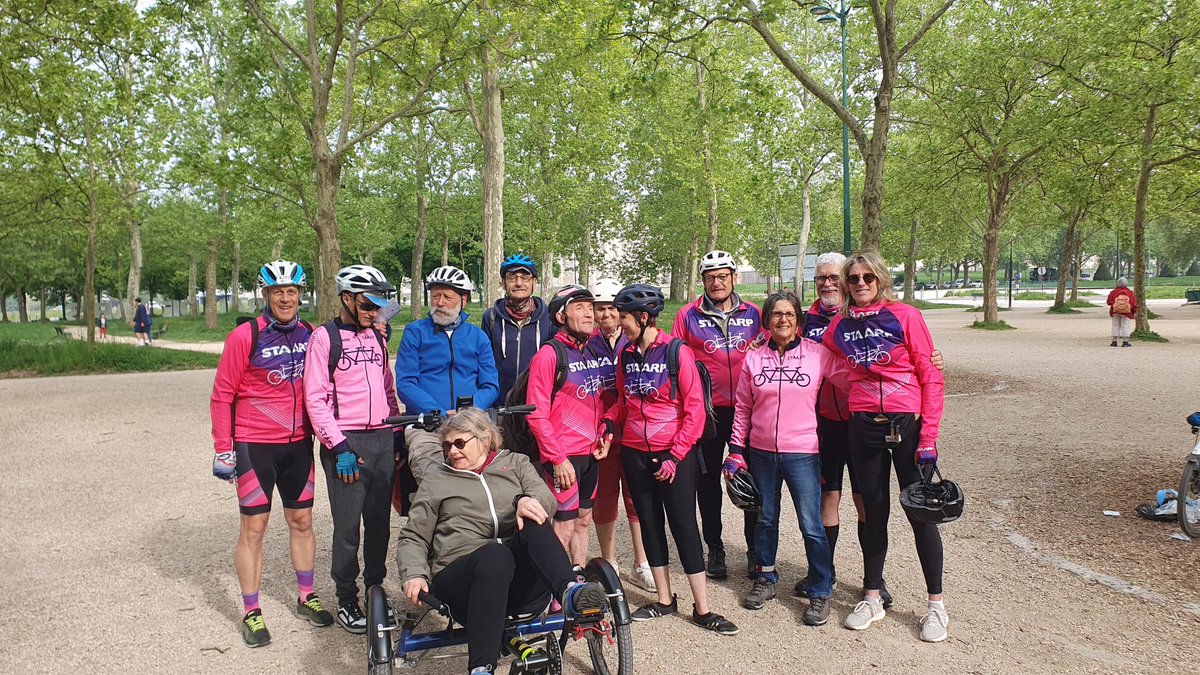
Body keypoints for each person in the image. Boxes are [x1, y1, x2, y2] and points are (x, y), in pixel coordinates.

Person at [397, 408, 609, 675]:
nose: (452, 451)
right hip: (463, 580)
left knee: (533, 517)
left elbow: (546, 499)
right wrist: (414, 573)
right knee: (494, 555)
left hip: (518, 583)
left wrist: (524, 501)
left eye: (460, 443)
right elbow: (414, 535)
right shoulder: (436, 481)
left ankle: (569, 591)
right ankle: (481, 669)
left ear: (485, 439)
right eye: (447, 445)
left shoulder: (516, 463)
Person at [796, 253, 945, 604]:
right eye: (854, 278)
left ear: (880, 279)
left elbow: (931, 377)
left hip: (904, 423)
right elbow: (819, 354)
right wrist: (857, 381)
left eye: (867, 277)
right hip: (853, 423)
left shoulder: (905, 315)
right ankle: (865, 592)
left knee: (920, 512)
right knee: (870, 509)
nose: (860, 283)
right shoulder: (832, 322)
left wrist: (928, 436)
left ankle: (934, 602)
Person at [600, 283, 738, 635]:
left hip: (674, 453)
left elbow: (695, 412)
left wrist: (675, 457)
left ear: (644, 317)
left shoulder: (677, 352)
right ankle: (664, 600)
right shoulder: (626, 354)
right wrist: (608, 420)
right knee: (649, 523)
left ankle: (703, 609)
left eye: (625, 316)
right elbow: (624, 400)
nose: (619, 322)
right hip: (635, 451)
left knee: (683, 526)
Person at [210, 260, 333, 647]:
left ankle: (306, 597)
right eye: (277, 291)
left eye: (292, 291)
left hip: (298, 444)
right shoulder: (245, 335)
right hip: (253, 445)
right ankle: (251, 612)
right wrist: (223, 448)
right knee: (255, 528)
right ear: (265, 294)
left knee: (302, 521)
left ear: (301, 295)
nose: (285, 298)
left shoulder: (312, 333)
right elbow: (222, 394)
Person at [726, 289, 847, 625]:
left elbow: (853, 379)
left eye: (789, 314)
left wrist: (906, 370)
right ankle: (766, 578)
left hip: (803, 452)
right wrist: (736, 451)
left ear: (799, 320)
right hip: (761, 452)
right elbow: (743, 408)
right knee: (765, 519)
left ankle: (821, 590)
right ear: (766, 321)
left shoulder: (816, 354)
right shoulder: (752, 358)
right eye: (776, 314)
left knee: (811, 525)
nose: (783, 319)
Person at [304, 264, 402, 634]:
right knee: (348, 528)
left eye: (380, 304)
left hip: (380, 439)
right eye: (367, 303)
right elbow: (314, 398)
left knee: (379, 525)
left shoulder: (377, 336)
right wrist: (338, 444)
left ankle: (375, 591)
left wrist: (395, 434)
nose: (375, 310)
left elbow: (387, 387)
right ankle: (346, 597)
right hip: (346, 443)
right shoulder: (324, 338)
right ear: (346, 298)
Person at [670, 250, 763, 579]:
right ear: (703, 281)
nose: (717, 282)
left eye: (723, 275)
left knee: (752, 481)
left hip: (749, 411)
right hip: (707, 413)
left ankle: (755, 550)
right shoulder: (687, 315)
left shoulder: (754, 314)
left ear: (734, 277)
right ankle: (716, 548)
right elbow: (676, 360)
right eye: (710, 277)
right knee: (706, 484)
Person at [396, 265, 499, 484]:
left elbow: (490, 386)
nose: (439, 303)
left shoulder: (478, 337)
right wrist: (438, 412)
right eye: (435, 296)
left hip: (470, 423)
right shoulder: (415, 332)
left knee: (484, 480)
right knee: (434, 480)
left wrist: (467, 411)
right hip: (427, 426)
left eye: (447, 297)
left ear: (464, 300)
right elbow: (406, 383)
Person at [526, 285, 607, 565]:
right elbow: (536, 414)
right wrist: (557, 458)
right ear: (561, 316)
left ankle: (578, 581)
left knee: (584, 519)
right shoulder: (550, 355)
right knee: (564, 521)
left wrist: (604, 437)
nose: (589, 314)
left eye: (590, 308)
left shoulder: (591, 351)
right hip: (564, 455)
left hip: (590, 453)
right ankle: (556, 593)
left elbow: (600, 401)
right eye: (580, 308)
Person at [587, 279, 656, 592]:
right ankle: (609, 561)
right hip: (599, 430)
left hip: (631, 430)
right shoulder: (585, 342)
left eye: (611, 308)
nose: (605, 314)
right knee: (604, 499)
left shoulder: (633, 341)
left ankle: (641, 563)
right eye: (598, 309)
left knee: (635, 496)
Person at [482, 254, 555, 402]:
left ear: (534, 283)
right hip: (500, 402)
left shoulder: (549, 317)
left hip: (537, 401)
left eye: (525, 278)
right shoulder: (491, 317)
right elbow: (484, 362)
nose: (519, 283)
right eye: (512, 278)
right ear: (503, 283)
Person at [1106, 277, 1136, 347]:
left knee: (1115, 325)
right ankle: (1125, 341)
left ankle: (1114, 341)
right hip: (1126, 312)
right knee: (1125, 326)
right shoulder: (1130, 292)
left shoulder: (1113, 292)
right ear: (1126, 284)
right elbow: (1133, 304)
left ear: (1117, 284)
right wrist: (1133, 311)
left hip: (1115, 311)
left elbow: (1108, 302)